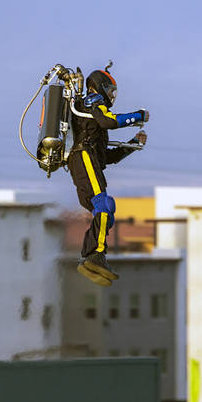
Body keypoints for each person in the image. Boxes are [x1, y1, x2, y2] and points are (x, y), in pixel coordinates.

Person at [68, 68, 148, 286]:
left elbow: (107, 157)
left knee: (105, 209)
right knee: (103, 204)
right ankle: (95, 256)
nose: (112, 96)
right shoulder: (93, 102)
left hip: (89, 162)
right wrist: (137, 117)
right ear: (101, 87)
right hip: (83, 158)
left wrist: (132, 145)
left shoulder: (94, 118)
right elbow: (109, 121)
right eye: (111, 91)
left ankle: (90, 259)